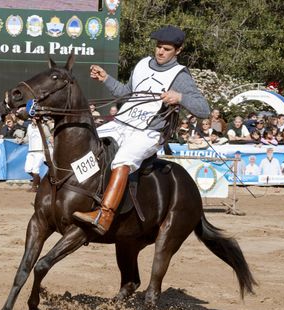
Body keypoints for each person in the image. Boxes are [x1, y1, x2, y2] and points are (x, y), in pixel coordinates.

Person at [73, 25, 210, 235]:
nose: (160, 52)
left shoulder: (180, 75)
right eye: (158, 47)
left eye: (166, 49)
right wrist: (106, 79)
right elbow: (128, 95)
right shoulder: (143, 64)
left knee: (122, 160)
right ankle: (74, 195)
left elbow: (204, 110)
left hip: (150, 132)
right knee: (87, 143)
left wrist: (180, 97)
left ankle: (105, 214)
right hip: (123, 123)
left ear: (178, 51)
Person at [23, 118, 51, 192]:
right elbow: (27, 137)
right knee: (27, 169)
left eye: (37, 118)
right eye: (34, 118)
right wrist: (22, 140)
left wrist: (51, 140)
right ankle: (40, 182)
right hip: (30, 151)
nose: (35, 119)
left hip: (40, 151)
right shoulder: (29, 126)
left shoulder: (43, 126)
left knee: (35, 169)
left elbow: (49, 136)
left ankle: (34, 187)